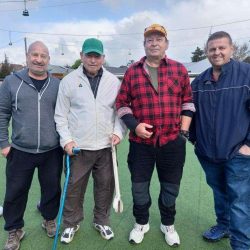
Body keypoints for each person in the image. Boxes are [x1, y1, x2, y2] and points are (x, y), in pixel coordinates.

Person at [116, 24, 195, 246]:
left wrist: (183, 132)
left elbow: (188, 102)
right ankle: (141, 223)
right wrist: (134, 126)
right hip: (141, 144)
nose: (154, 43)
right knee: (139, 188)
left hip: (172, 143)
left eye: (159, 39)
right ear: (144, 44)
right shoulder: (133, 71)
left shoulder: (179, 70)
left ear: (166, 44)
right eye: (150, 39)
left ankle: (168, 224)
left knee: (171, 188)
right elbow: (122, 103)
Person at [54, 38, 126, 244]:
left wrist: (118, 133)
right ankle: (70, 223)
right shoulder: (68, 81)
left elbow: (120, 112)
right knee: (74, 188)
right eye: (89, 55)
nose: (93, 60)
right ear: (81, 56)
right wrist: (67, 140)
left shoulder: (114, 81)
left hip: (105, 147)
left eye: (97, 56)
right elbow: (60, 115)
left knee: (105, 186)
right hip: (78, 147)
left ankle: (101, 220)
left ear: (103, 58)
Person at [0, 41, 63, 250]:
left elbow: (64, 116)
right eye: (34, 55)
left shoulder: (56, 85)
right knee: (15, 192)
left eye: (43, 56)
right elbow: (2, 114)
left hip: (52, 150)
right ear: (27, 57)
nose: (39, 59)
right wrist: (4, 143)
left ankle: (49, 219)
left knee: (52, 190)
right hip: (20, 150)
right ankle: (14, 229)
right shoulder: (11, 82)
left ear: (48, 60)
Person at [190, 31, 250, 250]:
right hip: (208, 153)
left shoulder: (246, 75)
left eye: (221, 48)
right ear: (207, 52)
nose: (217, 52)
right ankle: (223, 225)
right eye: (212, 49)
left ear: (232, 49)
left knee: (239, 201)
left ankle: (241, 244)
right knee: (220, 193)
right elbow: (190, 113)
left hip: (238, 154)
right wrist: (195, 140)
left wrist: (248, 146)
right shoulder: (199, 81)